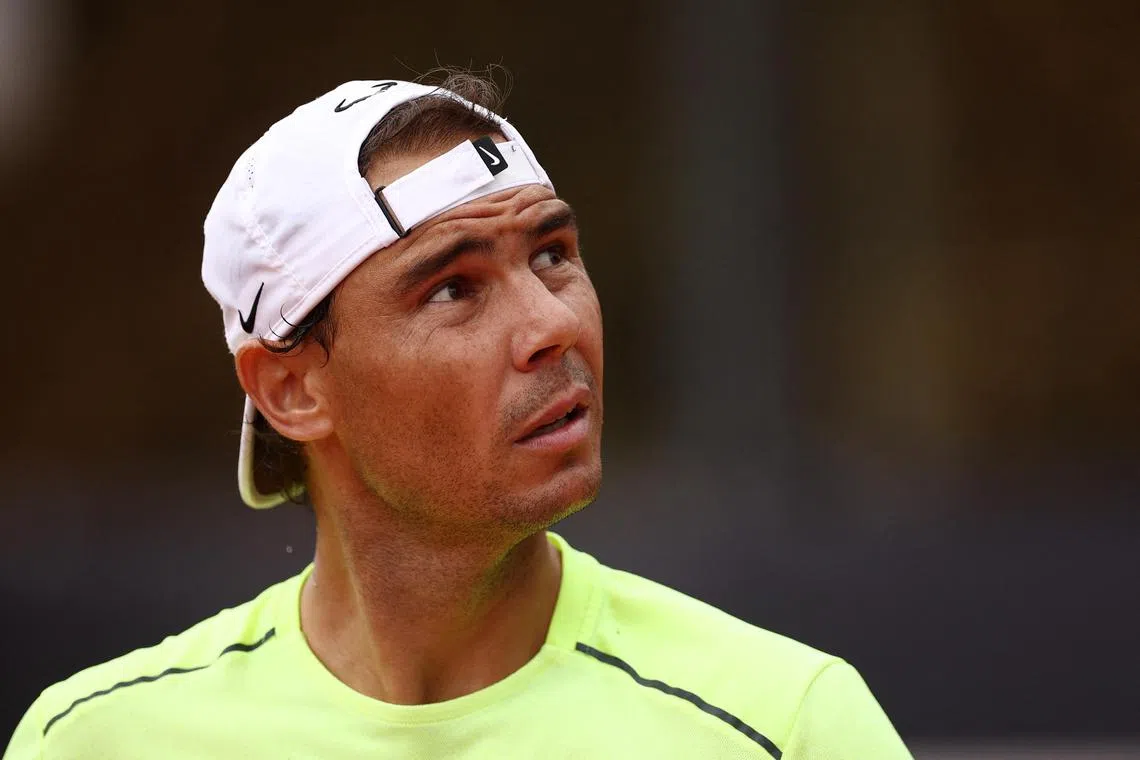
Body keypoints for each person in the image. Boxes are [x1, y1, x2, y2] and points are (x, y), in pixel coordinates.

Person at [4, 71, 912, 759]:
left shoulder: (784, 727)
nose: (553, 324)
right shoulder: (94, 741)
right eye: (452, 289)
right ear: (291, 390)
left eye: (552, 254)